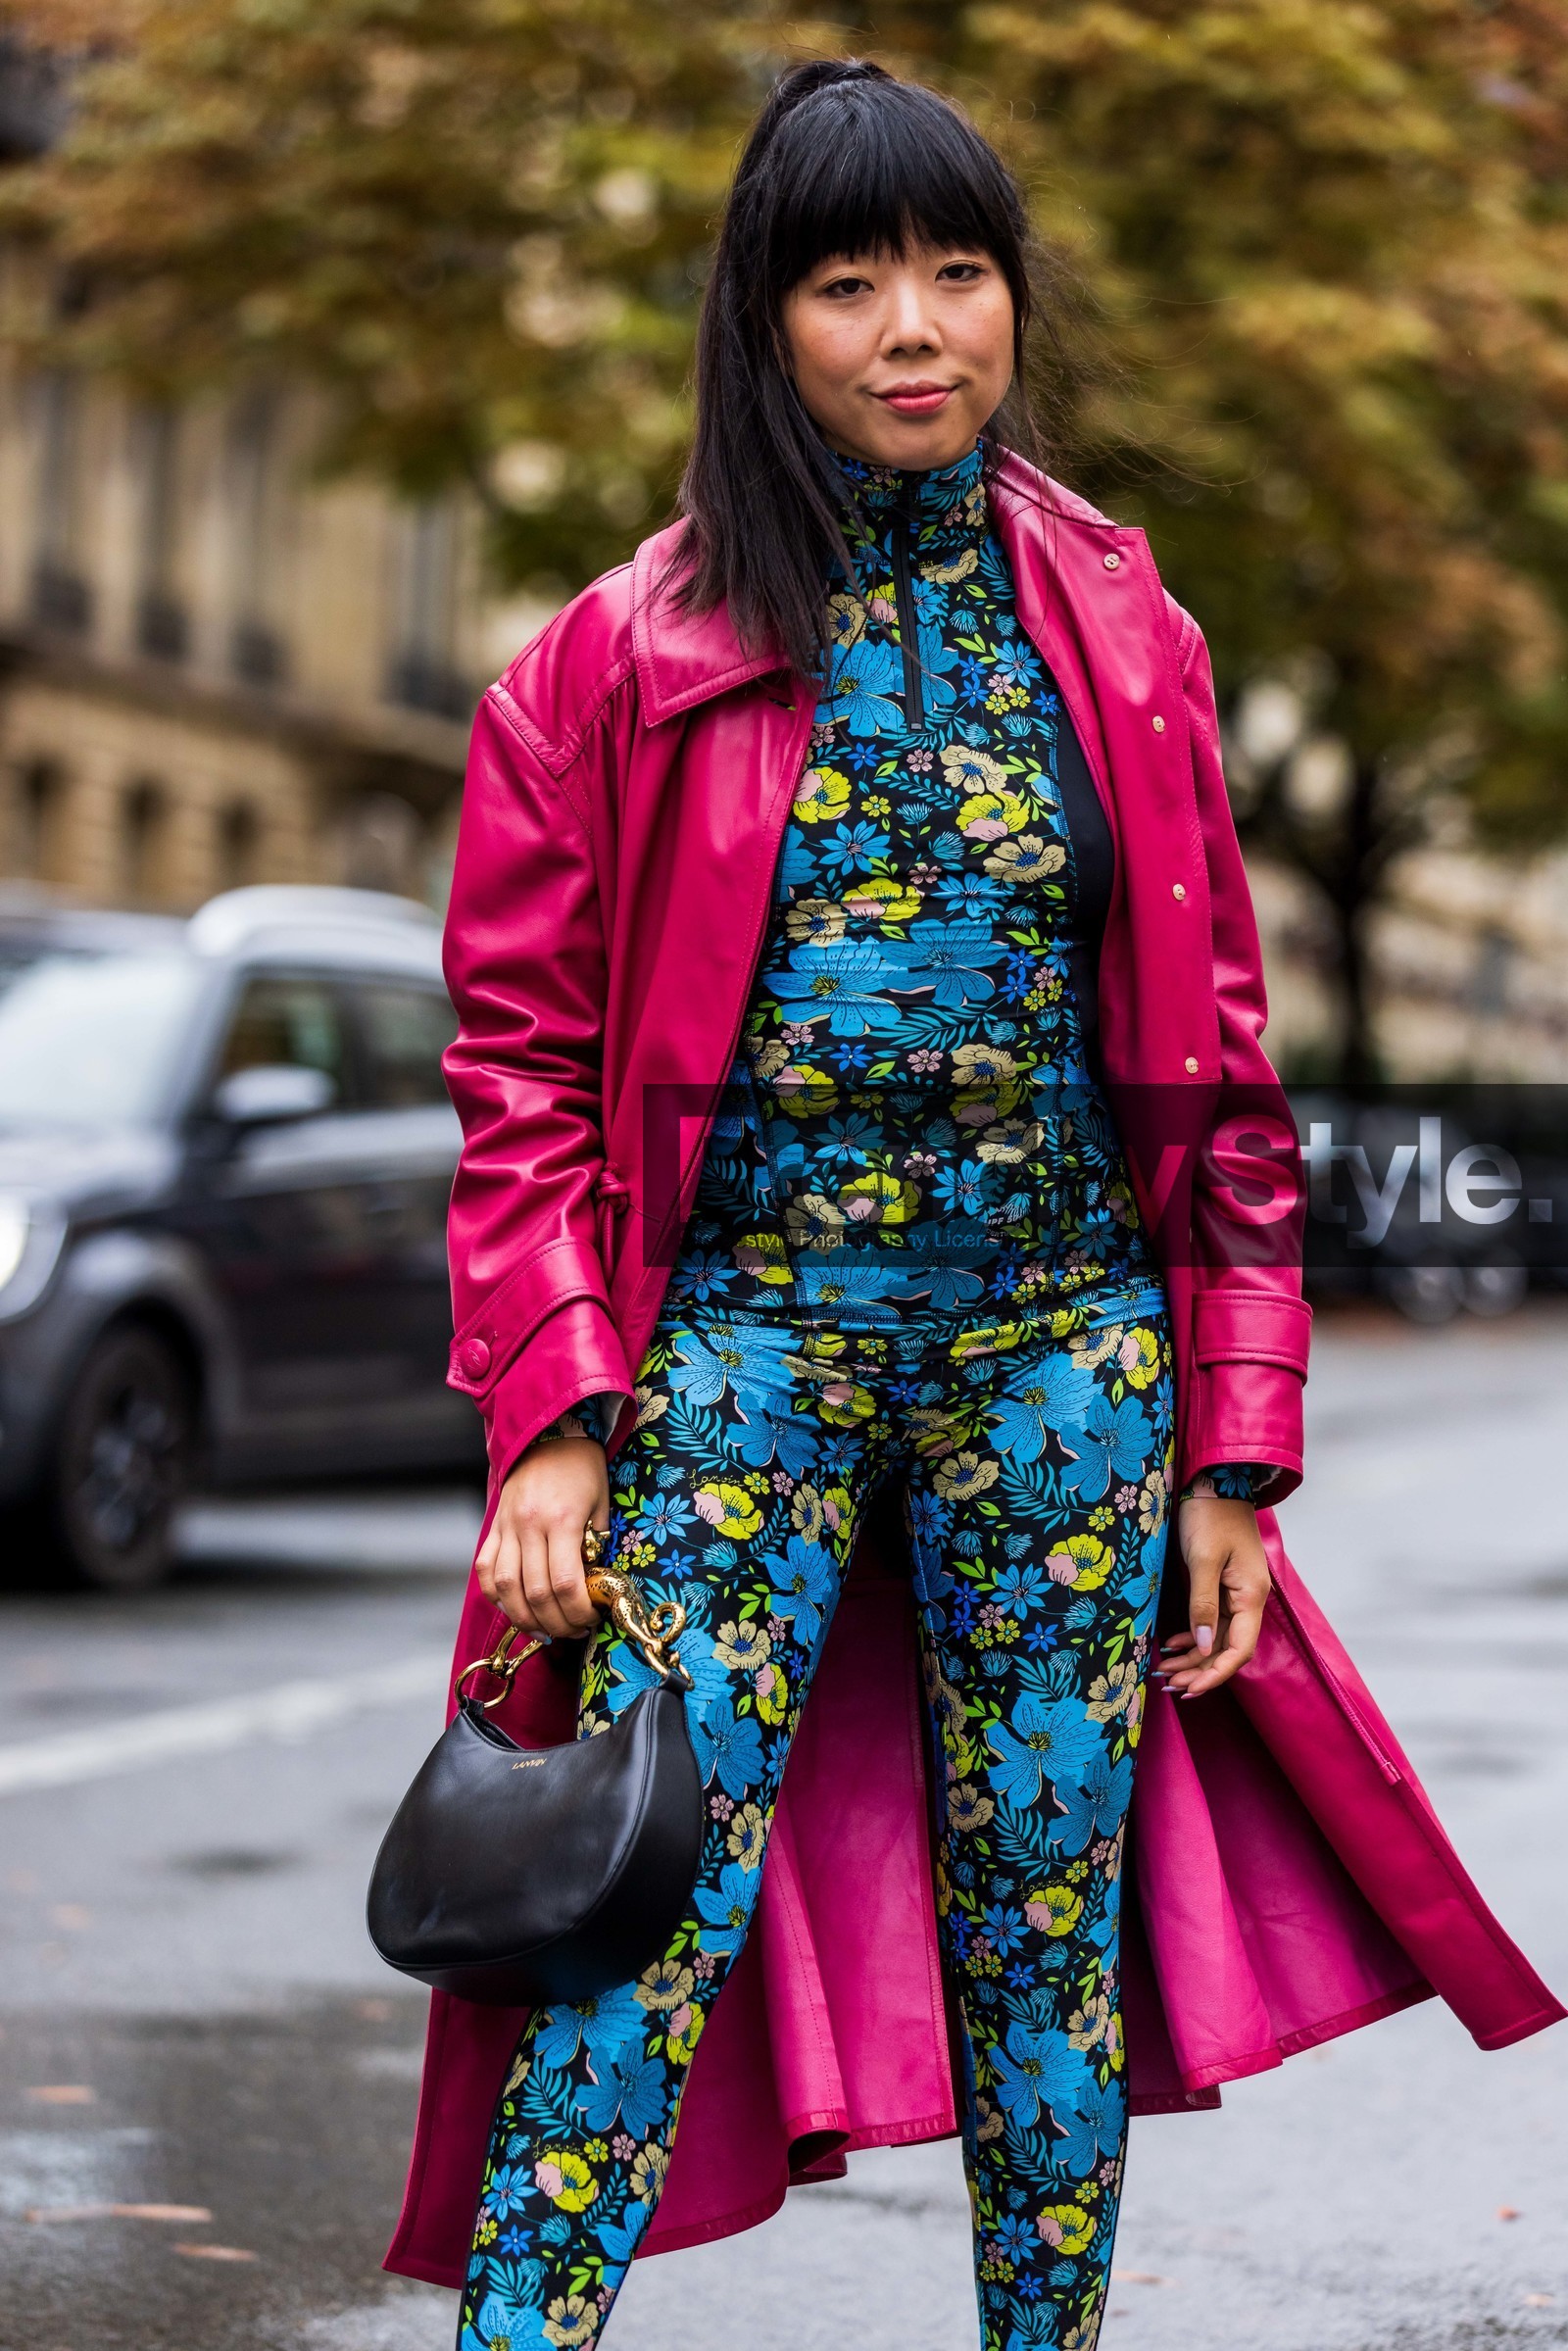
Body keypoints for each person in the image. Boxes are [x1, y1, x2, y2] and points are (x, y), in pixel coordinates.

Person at [396, 57, 1561, 2351]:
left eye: (956, 272)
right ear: (763, 321)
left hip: (1060, 1363)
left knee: (1047, 1933)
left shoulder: (1124, 625)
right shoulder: (603, 656)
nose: (916, 327)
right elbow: (517, 1073)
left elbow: (1211, 1073)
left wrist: (1229, 1440)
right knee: (630, 1917)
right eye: (849, 283)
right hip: (734, 1361)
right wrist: (552, 1412)